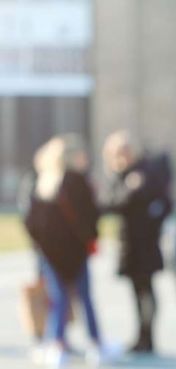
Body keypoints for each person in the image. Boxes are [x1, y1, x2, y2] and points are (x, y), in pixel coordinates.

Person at [24, 134, 105, 367]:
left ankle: (57, 345)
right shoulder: (78, 181)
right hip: (76, 253)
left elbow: (31, 222)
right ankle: (95, 343)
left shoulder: (43, 182)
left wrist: (42, 247)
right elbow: (91, 216)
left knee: (58, 300)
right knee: (85, 298)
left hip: (50, 255)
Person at [102, 130, 172, 353]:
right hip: (128, 244)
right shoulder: (120, 175)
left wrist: (153, 220)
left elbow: (164, 202)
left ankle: (147, 337)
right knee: (136, 291)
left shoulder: (146, 171)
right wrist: (128, 189)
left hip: (145, 243)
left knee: (146, 290)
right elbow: (112, 204)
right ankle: (141, 335)